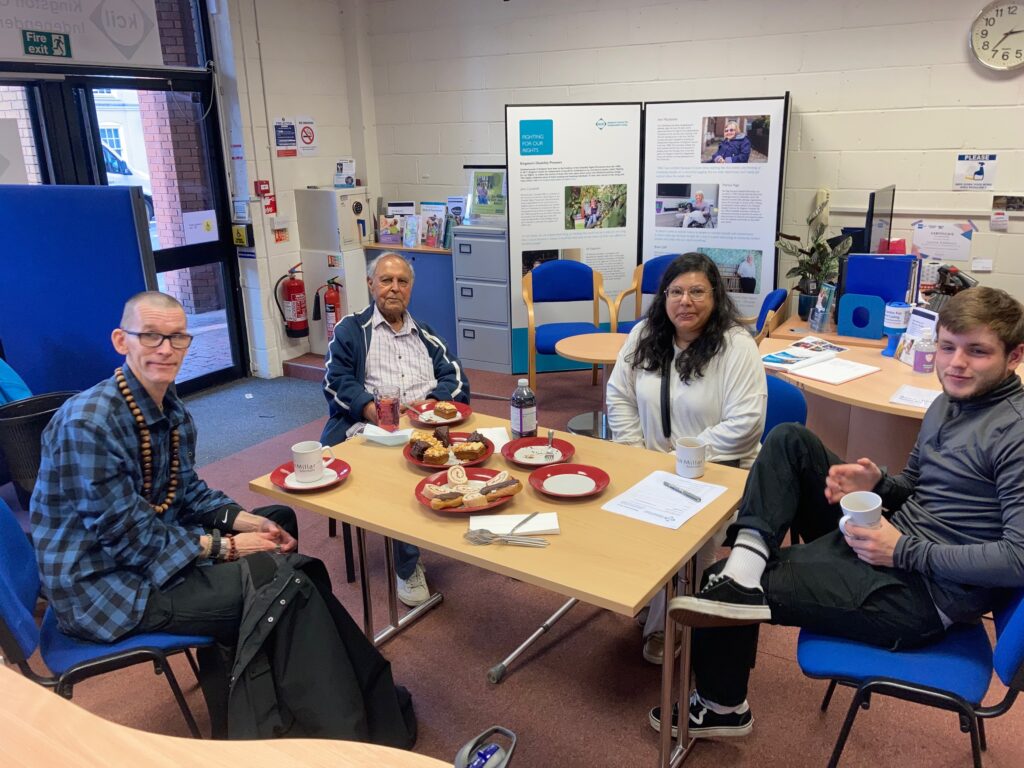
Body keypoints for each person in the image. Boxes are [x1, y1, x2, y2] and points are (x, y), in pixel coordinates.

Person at [31, 291, 416, 745]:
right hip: (106, 587)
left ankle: (294, 693)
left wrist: (246, 523)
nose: (165, 349)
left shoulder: (164, 405)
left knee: (277, 521)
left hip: (143, 555)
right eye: (151, 336)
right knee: (284, 580)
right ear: (121, 341)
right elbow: (131, 540)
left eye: (176, 338)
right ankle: (345, 732)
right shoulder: (89, 424)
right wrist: (229, 547)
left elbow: (184, 489)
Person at [651, 287, 1024, 741]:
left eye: (977, 352)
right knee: (790, 439)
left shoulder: (1015, 433)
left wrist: (904, 551)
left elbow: (1016, 559)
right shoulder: (947, 402)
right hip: (889, 542)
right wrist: (879, 484)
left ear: (1014, 356)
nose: (956, 363)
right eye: (947, 347)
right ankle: (746, 571)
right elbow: (915, 486)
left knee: (717, 583)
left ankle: (721, 709)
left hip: (923, 596)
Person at [606, 253, 766, 664]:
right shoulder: (645, 333)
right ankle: (654, 593)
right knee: (611, 513)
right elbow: (619, 395)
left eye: (697, 291)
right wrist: (635, 451)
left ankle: (669, 624)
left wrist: (682, 457)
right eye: (675, 292)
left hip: (720, 472)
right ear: (663, 297)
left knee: (687, 540)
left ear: (715, 297)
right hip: (650, 463)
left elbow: (746, 423)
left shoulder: (736, 346)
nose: (685, 301)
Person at [322, 253, 469, 607]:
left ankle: (473, 532)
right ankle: (408, 567)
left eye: (402, 282)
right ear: (371, 284)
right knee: (403, 472)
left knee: (476, 448)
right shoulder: (351, 331)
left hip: (426, 424)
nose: (394, 288)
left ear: (411, 288)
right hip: (370, 429)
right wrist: (373, 410)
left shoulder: (427, 335)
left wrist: (432, 407)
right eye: (386, 280)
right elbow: (334, 380)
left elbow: (456, 377)